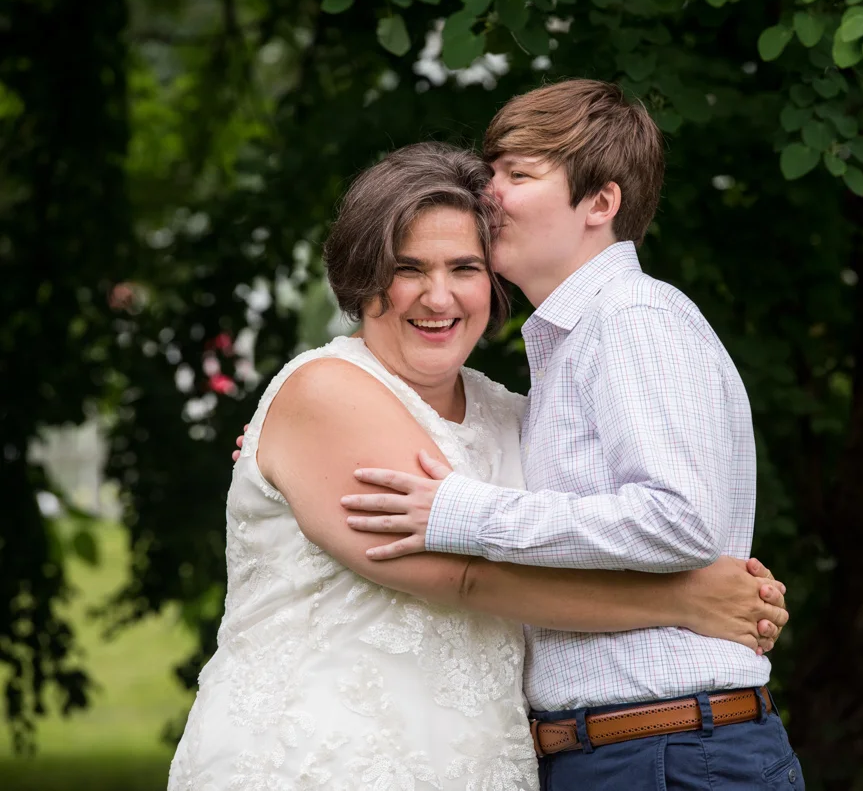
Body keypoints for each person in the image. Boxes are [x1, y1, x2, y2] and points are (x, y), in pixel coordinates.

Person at [173, 142, 789, 791]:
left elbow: (602, 511)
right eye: (408, 268)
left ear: (491, 279)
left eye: (464, 266)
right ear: (362, 274)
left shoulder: (513, 413)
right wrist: (683, 600)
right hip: (318, 754)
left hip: (479, 760)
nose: (438, 296)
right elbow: (462, 578)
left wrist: (730, 579)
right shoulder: (327, 390)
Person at [340, 81, 805, 789]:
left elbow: (676, 519)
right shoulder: (572, 348)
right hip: (633, 749)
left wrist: (460, 513)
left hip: (670, 751)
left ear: (600, 204)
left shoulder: (632, 321)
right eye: (492, 170)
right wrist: (297, 430)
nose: (486, 193)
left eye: (517, 174)